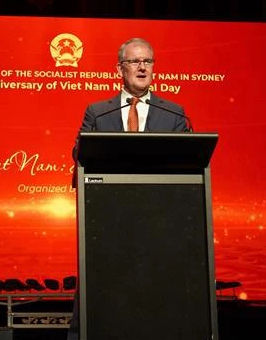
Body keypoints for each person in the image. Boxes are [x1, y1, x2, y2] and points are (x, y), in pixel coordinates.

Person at [67, 37, 189, 340]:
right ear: (119, 68)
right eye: (135, 61)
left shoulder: (174, 113)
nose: (142, 67)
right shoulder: (98, 112)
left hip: (157, 221)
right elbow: (80, 154)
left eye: (148, 61)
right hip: (109, 221)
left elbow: (186, 160)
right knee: (101, 296)